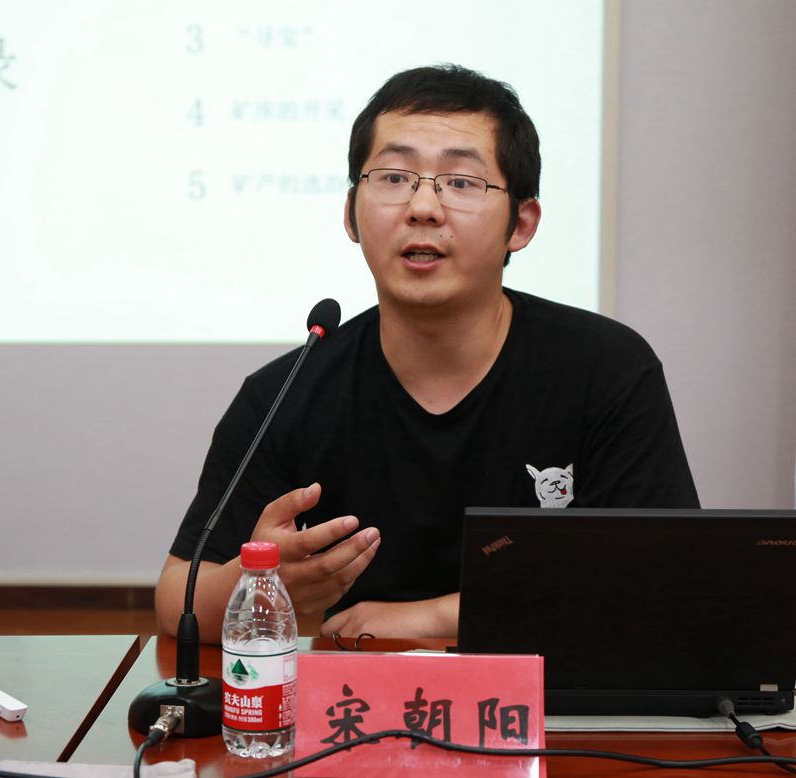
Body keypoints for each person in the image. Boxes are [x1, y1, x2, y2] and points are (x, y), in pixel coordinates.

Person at [156, 64, 699, 644]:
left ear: (521, 224)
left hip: (553, 694)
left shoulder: (606, 369)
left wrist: (438, 617)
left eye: (461, 182)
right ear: (350, 213)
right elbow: (176, 599)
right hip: (362, 695)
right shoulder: (286, 392)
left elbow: (670, 582)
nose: (422, 208)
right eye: (394, 177)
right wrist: (262, 579)